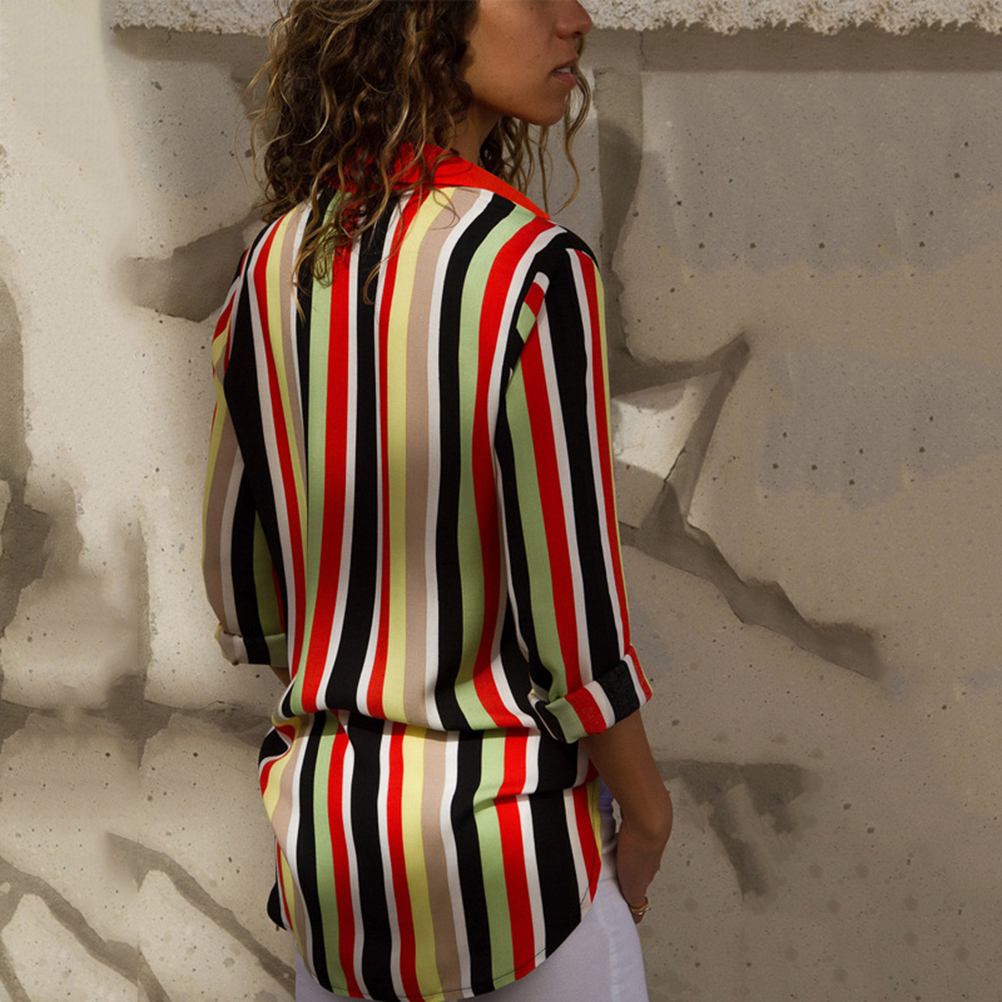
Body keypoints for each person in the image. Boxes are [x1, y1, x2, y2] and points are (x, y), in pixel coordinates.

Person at [202, 2, 673, 1000]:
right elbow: (574, 619)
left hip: (335, 872)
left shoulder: (269, 266)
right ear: (427, 16)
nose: (576, 20)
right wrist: (648, 816)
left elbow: (243, 589)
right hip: (514, 867)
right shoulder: (532, 270)